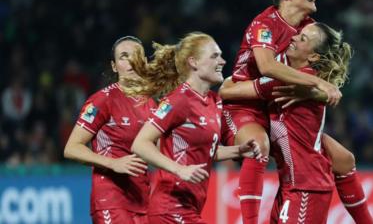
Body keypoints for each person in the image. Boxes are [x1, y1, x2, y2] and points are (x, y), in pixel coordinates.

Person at [222, 23, 373, 223]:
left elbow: (226, 91)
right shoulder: (300, 77)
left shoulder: (288, 81)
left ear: (313, 57)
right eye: (298, 34)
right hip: (290, 186)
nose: (293, 38)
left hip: (307, 188)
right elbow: (344, 159)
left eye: (303, 39)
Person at [226, 0, 343, 223]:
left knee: (344, 159)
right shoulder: (265, 24)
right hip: (245, 104)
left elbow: (325, 80)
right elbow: (267, 67)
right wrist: (316, 84)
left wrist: (319, 90)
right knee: (259, 146)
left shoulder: (309, 29)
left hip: (276, 102)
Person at [124, 32, 262, 223]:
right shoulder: (179, 99)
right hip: (170, 208)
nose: (222, 61)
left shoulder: (214, 102)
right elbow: (140, 144)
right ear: (194, 62)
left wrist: (238, 151)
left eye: (221, 55)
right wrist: (179, 169)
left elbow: (203, 151)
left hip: (191, 207)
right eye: (214, 56)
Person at [64, 36, 155, 224]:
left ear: (145, 62)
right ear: (114, 66)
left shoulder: (153, 104)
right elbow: (72, 148)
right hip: (110, 199)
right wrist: (113, 163)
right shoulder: (102, 100)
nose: (130, 61)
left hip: (143, 200)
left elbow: (163, 150)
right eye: (123, 56)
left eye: (136, 55)